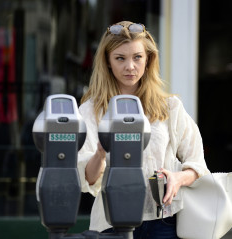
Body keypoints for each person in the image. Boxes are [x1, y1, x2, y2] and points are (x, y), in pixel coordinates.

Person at [77, 21, 210, 239]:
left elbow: (197, 165)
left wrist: (178, 178)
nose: (130, 66)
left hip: (165, 222)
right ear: (108, 62)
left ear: (148, 59)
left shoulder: (170, 107)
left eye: (137, 57)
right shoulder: (91, 110)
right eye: (120, 58)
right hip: (111, 221)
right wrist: (101, 153)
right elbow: (88, 181)